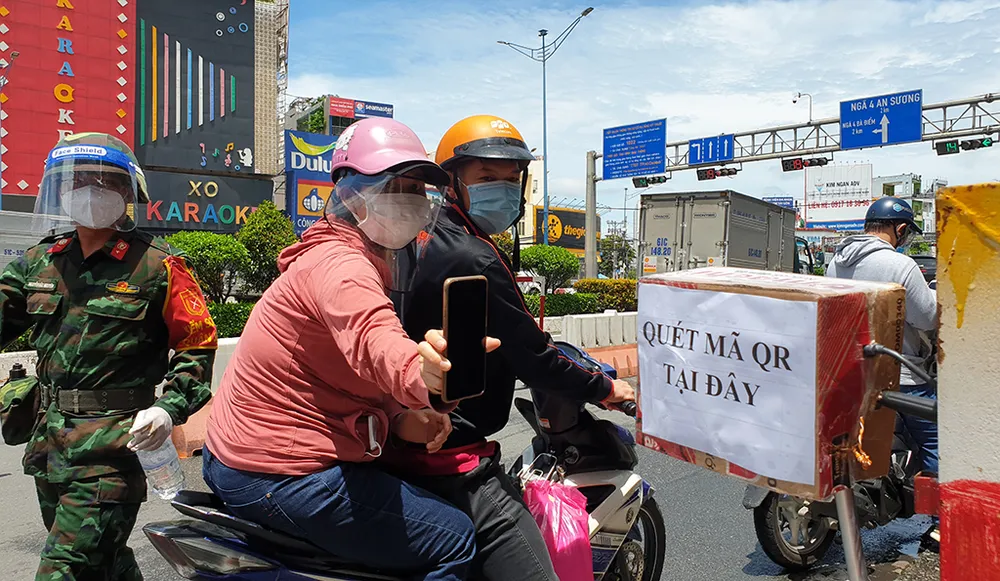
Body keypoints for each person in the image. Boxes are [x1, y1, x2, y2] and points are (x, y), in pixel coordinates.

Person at [203, 117, 495, 581]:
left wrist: (401, 417)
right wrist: (425, 375)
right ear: (352, 194)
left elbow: (348, 368)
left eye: (418, 190)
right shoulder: (343, 266)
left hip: (253, 455)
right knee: (454, 537)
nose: (412, 201)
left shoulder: (360, 257)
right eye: (397, 187)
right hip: (278, 470)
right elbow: (374, 340)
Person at [387, 115, 636, 581]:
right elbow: (535, 357)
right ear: (452, 182)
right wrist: (605, 388)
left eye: (510, 178)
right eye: (486, 177)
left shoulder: (420, 237)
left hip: (395, 433)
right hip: (450, 450)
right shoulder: (474, 255)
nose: (501, 189)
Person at [0, 132, 217, 580]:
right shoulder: (40, 261)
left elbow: (197, 345)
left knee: (65, 569)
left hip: (113, 448)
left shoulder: (159, 266)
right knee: (106, 563)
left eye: (104, 181)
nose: (89, 189)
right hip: (49, 443)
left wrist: (168, 408)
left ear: (128, 194)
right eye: (77, 180)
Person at [826, 196, 939, 547]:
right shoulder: (900, 266)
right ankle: (942, 523)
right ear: (900, 229)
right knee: (939, 441)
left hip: (851, 372)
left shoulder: (835, 263)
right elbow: (928, 318)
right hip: (900, 375)